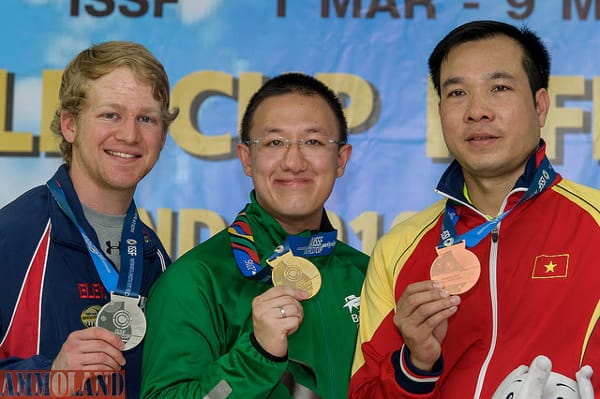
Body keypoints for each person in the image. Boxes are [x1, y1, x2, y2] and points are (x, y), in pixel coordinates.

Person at [349, 20, 600, 398]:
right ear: (440, 113)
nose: (476, 110)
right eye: (457, 93)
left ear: (540, 105)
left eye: (499, 88)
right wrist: (415, 365)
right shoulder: (398, 250)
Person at [140, 72, 369, 399]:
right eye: (275, 142)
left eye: (313, 142)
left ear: (341, 159)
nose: (293, 162)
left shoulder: (369, 275)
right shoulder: (196, 281)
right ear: (247, 159)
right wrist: (257, 356)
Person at [0, 41, 179, 398]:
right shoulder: (13, 236)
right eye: (111, 114)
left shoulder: (153, 257)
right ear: (69, 125)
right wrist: (51, 377)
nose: (129, 135)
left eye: (146, 118)